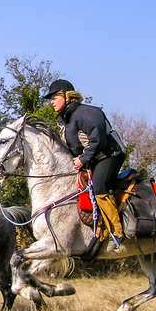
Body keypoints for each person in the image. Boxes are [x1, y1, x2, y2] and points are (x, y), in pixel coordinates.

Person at [43, 79, 126, 248]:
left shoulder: (86, 112)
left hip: (111, 155)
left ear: (67, 97)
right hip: (95, 158)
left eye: (54, 97)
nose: (51, 102)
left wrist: (82, 159)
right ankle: (99, 228)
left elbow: (99, 140)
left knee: (99, 187)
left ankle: (116, 233)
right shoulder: (66, 120)